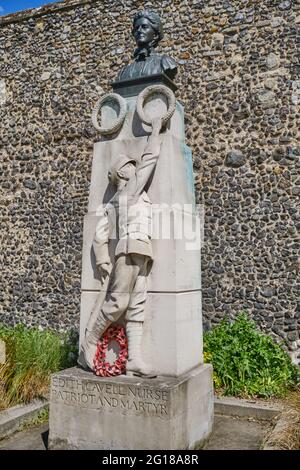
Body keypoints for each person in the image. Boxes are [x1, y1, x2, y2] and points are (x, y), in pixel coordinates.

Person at [78, 118, 163, 377]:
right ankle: (90, 342)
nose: (134, 169)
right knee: (117, 304)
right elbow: (149, 159)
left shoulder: (126, 198)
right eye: (129, 166)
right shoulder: (128, 193)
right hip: (128, 251)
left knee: (137, 305)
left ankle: (134, 359)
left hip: (142, 252)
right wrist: (156, 131)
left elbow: (100, 237)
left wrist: (103, 261)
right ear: (123, 174)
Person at [116, 10, 177, 82]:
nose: (139, 30)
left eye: (144, 27)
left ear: (155, 35)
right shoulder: (124, 72)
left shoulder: (165, 63)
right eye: (136, 28)